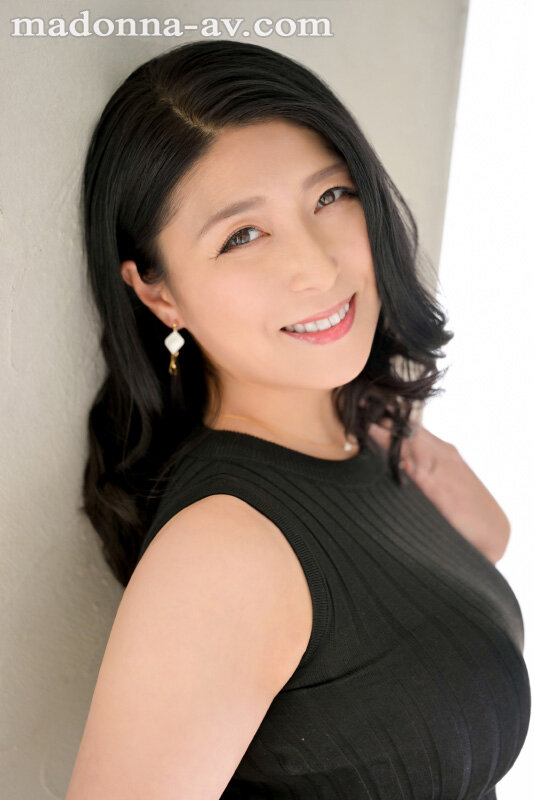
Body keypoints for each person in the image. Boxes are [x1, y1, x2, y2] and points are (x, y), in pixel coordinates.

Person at [65, 40, 530, 800]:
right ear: (159, 295)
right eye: (242, 236)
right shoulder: (222, 550)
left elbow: (408, 630)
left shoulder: (368, 440)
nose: (316, 266)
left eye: (330, 197)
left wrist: (469, 526)